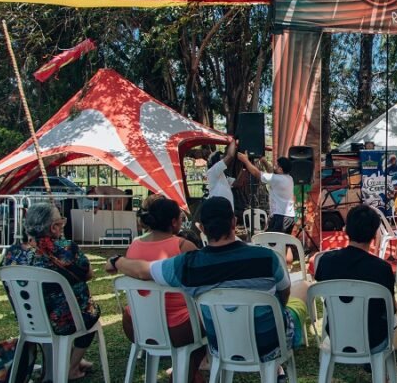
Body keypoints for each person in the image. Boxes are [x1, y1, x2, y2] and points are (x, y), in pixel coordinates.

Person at [105, 197, 310, 370]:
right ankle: (278, 367)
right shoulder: (268, 257)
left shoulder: (187, 264)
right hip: (270, 344)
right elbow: (284, 294)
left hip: (220, 344)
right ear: (234, 222)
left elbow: (142, 271)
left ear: (202, 228)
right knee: (301, 288)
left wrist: (117, 261)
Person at [0, 203, 100, 380]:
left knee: (58, 310)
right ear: (54, 227)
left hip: (30, 320)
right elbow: (89, 274)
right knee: (91, 314)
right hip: (64, 322)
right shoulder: (67, 249)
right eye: (62, 221)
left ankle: (64, 361)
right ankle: (72, 368)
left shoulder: (11, 253)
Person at [122, 198, 205, 383]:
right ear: (174, 221)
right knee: (210, 318)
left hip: (135, 326)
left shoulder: (134, 245)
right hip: (178, 330)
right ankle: (185, 374)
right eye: (181, 218)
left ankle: (188, 374)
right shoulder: (183, 246)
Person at [315, 204, 395, 351]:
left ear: (346, 230)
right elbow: (391, 308)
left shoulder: (326, 261)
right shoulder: (382, 268)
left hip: (337, 335)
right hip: (373, 340)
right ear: (374, 234)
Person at [238, 153, 296, 234]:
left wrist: (245, 160)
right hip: (289, 217)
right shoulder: (289, 178)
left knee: (271, 240)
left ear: (280, 169)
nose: (274, 166)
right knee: (281, 240)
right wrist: (264, 161)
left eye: (276, 165)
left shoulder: (277, 179)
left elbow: (257, 173)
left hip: (280, 217)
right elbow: (272, 172)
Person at [205, 139, 237, 209]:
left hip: (226, 212)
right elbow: (230, 156)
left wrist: (245, 165)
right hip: (219, 211)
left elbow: (238, 183)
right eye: (221, 158)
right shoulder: (213, 171)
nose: (223, 159)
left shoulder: (222, 175)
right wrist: (234, 138)